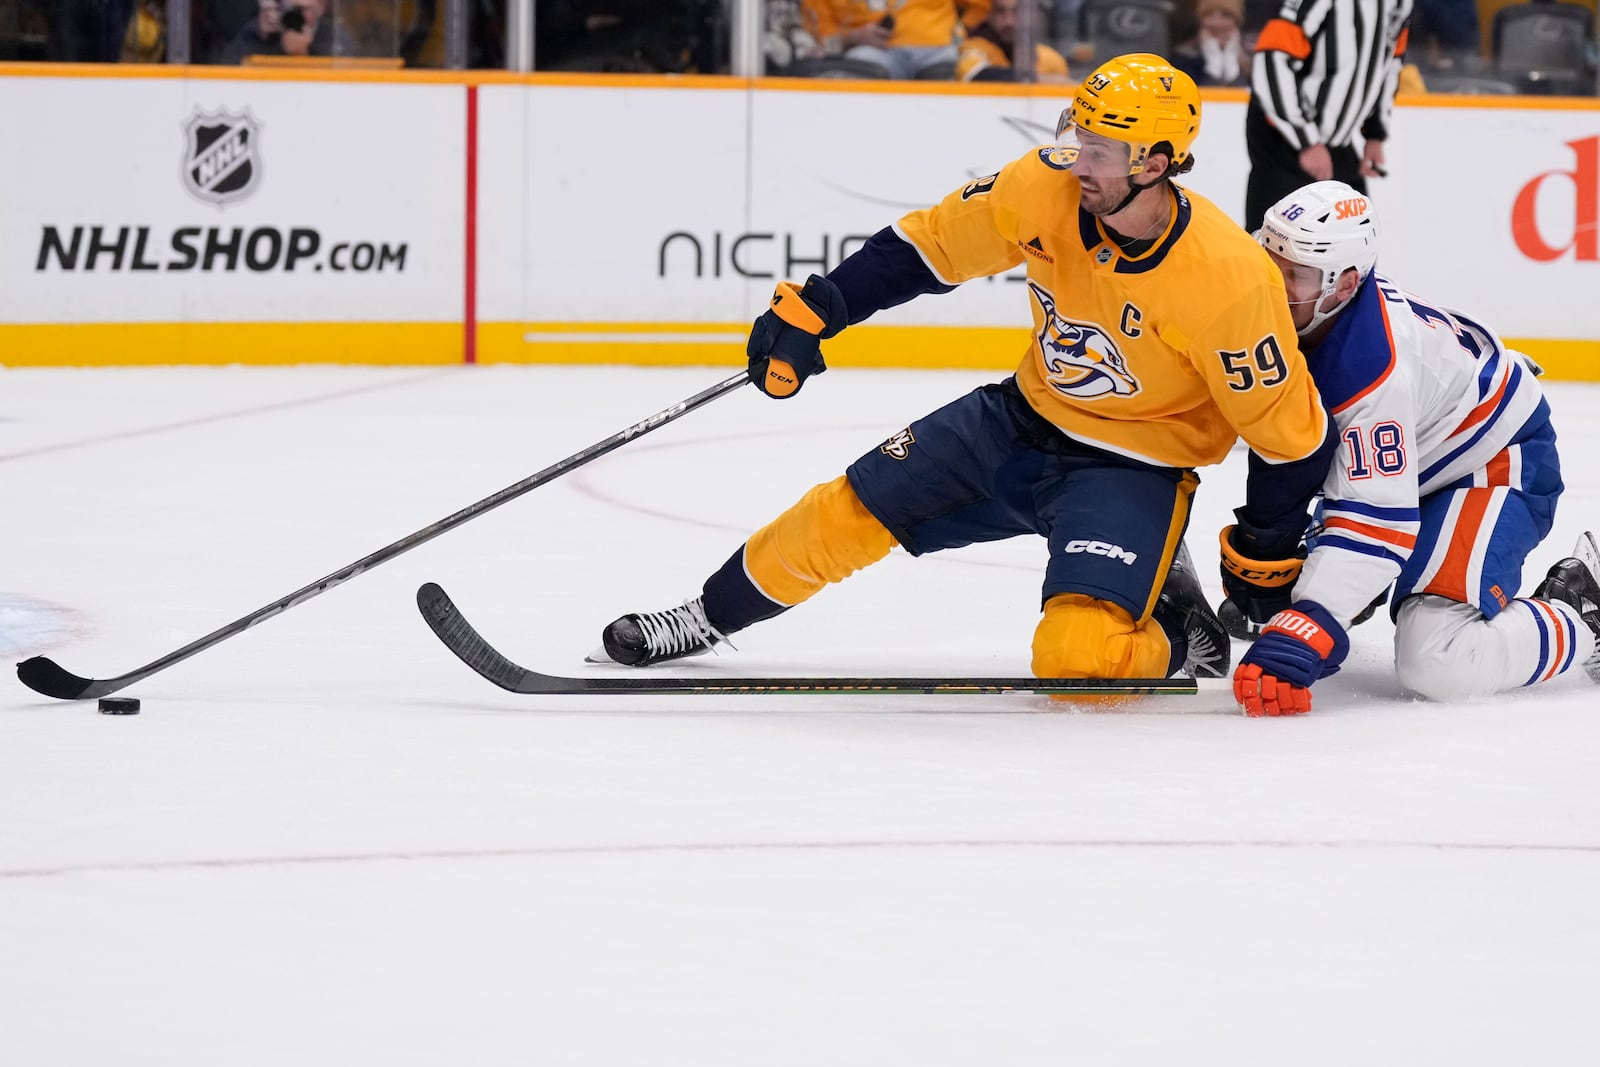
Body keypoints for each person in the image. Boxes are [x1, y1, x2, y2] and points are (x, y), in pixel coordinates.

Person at [595, 54, 1338, 689]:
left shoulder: (1229, 283)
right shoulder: (1043, 185)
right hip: (1017, 419)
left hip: (1134, 465)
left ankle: (1179, 634)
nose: (1079, 160)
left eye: (1101, 151)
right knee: (845, 508)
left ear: (1155, 161)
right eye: (1077, 136)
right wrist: (822, 307)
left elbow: (1286, 434)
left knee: (1075, 658)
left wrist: (1264, 552)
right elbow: (930, 247)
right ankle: (703, 616)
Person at [1222, 180, 1600, 716]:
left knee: (1436, 658)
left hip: (1492, 462)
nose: (1272, 283)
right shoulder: (1318, 313)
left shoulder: (1372, 370)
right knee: (1297, 605)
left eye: (1294, 274)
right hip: (1413, 461)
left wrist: (1313, 618)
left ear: (1345, 283)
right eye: (1268, 258)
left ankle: (1582, 611)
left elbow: (1376, 516)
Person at [1244, 0, 1412, 231]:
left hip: (1338, 144)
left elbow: (1389, 61)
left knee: (1355, 242)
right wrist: (1306, 141)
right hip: (1283, 141)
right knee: (1274, 246)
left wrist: (1375, 131)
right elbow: (1272, 58)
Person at [802, 0, 990, 79]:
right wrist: (853, 36)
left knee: (956, 60)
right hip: (874, 56)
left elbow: (980, 6)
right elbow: (820, 36)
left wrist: (961, 29)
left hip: (937, 50)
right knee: (859, 60)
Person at [955, 0, 1070, 82]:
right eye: (1001, 11)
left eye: (1016, 11)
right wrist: (1038, 79)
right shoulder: (976, 46)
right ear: (990, 16)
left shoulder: (1051, 59)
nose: (1008, 21)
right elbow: (973, 75)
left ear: (1031, 15)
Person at [223, 0, 353, 63]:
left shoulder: (335, 37)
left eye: (302, 9)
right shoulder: (262, 31)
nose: (296, 16)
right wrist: (261, 37)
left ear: (321, 7)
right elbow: (228, 68)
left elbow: (340, 82)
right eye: (290, 9)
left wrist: (302, 53)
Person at [1170, 0, 1250, 87]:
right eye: (1209, 15)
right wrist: (1213, 67)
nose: (1217, 23)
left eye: (1226, 15)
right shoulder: (1183, 57)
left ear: (1237, 21)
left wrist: (1232, 65)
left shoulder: (1253, 56)